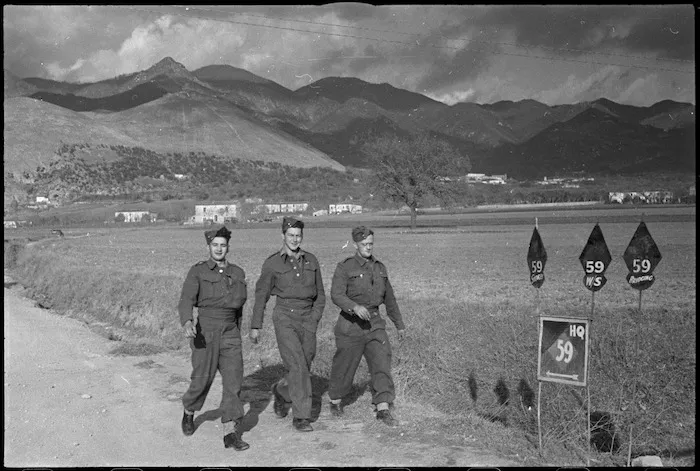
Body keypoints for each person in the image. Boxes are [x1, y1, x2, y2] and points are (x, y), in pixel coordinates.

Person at [249, 217, 326, 432]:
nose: (294, 239)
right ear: (283, 235)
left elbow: (320, 296)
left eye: (298, 235)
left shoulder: (312, 260)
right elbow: (261, 296)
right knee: (298, 366)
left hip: (308, 319)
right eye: (290, 235)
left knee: (304, 365)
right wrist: (256, 325)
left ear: (302, 237)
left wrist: (314, 319)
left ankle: (282, 392)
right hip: (284, 318)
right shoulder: (272, 263)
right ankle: (301, 417)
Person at [178, 225, 250, 451]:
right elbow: (186, 300)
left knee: (234, 382)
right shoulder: (198, 271)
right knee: (201, 380)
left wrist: (237, 332)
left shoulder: (238, 272)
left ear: (228, 247)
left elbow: (239, 308)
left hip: (230, 331)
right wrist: (188, 321)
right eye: (215, 245)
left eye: (223, 245)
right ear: (209, 246)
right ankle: (189, 411)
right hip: (205, 331)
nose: (219, 249)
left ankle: (230, 432)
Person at [327, 226, 406, 426]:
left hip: (374, 323)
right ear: (355, 245)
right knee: (344, 367)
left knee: (382, 361)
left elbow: (390, 299)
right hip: (350, 324)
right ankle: (335, 400)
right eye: (364, 244)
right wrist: (353, 307)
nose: (368, 247)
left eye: (371, 244)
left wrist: (399, 324)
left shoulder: (380, 268)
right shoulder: (345, 267)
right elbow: (337, 294)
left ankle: (383, 408)